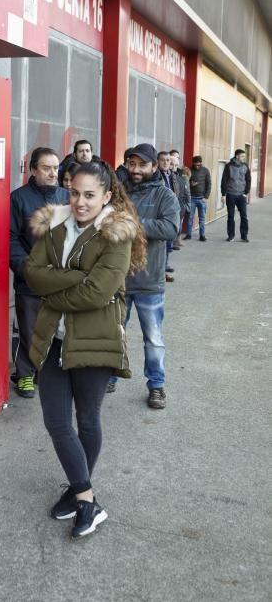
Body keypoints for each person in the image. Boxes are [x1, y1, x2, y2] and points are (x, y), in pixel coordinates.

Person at [24, 161, 146, 537]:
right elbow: (31, 272)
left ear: (107, 196)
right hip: (53, 340)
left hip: (95, 341)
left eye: (90, 195)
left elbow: (99, 292)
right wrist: (75, 278)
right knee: (56, 422)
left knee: (87, 420)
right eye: (74, 192)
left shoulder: (116, 234)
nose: (79, 202)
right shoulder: (54, 225)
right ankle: (85, 496)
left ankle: (79, 493)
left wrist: (53, 287)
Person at [107, 144, 179, 407]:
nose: (136, 170)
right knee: (114, 332)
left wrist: (133, 225)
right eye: (131, 164)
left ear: (153, 166)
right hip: (117, 279)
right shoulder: (116, 192)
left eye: (142, 165)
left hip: (150, 281)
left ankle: (157, 385)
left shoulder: (165, 196)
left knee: (153, 338)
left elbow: (170, 228)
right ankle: (111, 376)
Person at [10, 147, 69, 398]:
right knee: (29, 328)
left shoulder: (68, 196)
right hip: (31, 279)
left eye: (55, 168)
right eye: (46, 168)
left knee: (60, 329)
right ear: (33, 170)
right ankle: (25, 375)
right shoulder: (19, 198)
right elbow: (10, 239)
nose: (52, 173)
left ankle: (49, 371)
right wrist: (25, 268)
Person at [221, 148, 251, 242]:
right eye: (242, 156)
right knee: (230, 216)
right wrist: (223, 194)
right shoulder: (229, 166)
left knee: (244, 216)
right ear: (237, 156)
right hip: (230, 194)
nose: (243, 158)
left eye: (244, 156)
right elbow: (224, 180)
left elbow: (248, 180)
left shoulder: (245, 166)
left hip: (241, 195)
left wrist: (246, 192)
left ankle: (244, 236)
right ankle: (231, 235)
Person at [157, 151, 177, 282]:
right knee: (160, 247)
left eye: (168, 160)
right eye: (163, 160)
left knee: (167, 245)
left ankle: (163, 270)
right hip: (160, 215)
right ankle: (160, 273)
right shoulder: (157, 176)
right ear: (158, 162)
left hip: (170, 212)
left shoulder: (171, 175)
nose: (166, 162)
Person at [184, 155, 211, 241]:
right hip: (192, 197)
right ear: (193, 163)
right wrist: (191, 184)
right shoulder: (189, 170)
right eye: (196, 164)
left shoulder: (205, 170)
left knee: (202, 218)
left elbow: (209, 184)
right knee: (190, 217)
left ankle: (202, 235)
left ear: (201, 163)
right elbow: (185, 183)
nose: (197, 166)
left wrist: (206, 196)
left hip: (201, 198)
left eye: (199, 164)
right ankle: (188, 234)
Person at [169, 149, 191, 248]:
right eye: (172, 164)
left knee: (179, 223)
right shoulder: (167, 176)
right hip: (172, 206)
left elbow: (185, 189)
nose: (174, 167)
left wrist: (186, 204)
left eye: (176, 164)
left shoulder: (181, 174)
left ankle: (177, 240)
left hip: (181, 205)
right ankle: (172, 242)